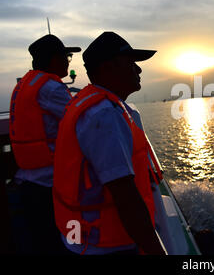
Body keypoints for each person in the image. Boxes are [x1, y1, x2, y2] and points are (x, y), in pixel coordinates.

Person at [53, 32, 166, 255]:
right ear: (107, 69)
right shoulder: (104, 115)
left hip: (81, 239)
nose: (139, 70)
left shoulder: (89, 104)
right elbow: (125, 196)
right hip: (104, 245)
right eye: (131, 63)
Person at [9, 34, 81, 254]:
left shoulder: (25, 85)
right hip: (50, 186)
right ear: (53, 60)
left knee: (44, 244)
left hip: (28, 181)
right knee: (71, 243)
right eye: (66, 56)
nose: (69, 61)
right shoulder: (51, 88)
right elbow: (81, 121)